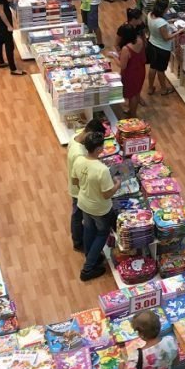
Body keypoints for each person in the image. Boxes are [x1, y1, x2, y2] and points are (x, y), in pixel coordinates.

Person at [74, 131, 120, 281]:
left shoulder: (79, 160)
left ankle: (90, 255)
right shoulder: (102, 170)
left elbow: (75, 182)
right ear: (99, 149)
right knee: (102, 234)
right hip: (99, 209)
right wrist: (117, 184)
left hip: (83, 203)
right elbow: (107, 194)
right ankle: (88, 268)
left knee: (89, 229)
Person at [67, 118, 106, 252]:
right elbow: (80, 176)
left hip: (77, 187)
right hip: (79, 190)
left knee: (77, 215)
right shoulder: (79, 155)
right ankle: (79, 242)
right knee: (78, 216)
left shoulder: (74, 139)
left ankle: (80, 240)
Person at [145, 0, 177, 97]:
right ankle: (163, 89)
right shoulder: (161, 22)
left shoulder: (150, 15)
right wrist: (179, 32)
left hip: (152, 44)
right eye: (167, 7)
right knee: (161, 70)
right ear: (164, 9)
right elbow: (166, 37)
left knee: (153, 67)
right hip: (162, 49)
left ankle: (150, 87)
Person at [118, 24, 147, 118]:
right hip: (140, 70)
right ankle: (132, 111)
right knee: (136, 91)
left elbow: (123, 66)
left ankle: (133, 115)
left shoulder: (126, 49)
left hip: (130, 74)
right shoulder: (139, 40)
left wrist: (114, 57)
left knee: (132, 95)